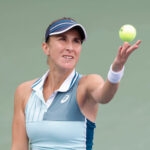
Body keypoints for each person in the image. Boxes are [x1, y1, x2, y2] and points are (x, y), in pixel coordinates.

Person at [11, 17, 141, 150]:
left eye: (76, 41)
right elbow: (18, 147)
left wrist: (116, 69)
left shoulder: (87, 84)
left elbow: (105, 95)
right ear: (46, 47)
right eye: (62, 39)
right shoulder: (24, 92)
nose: (70, 48)